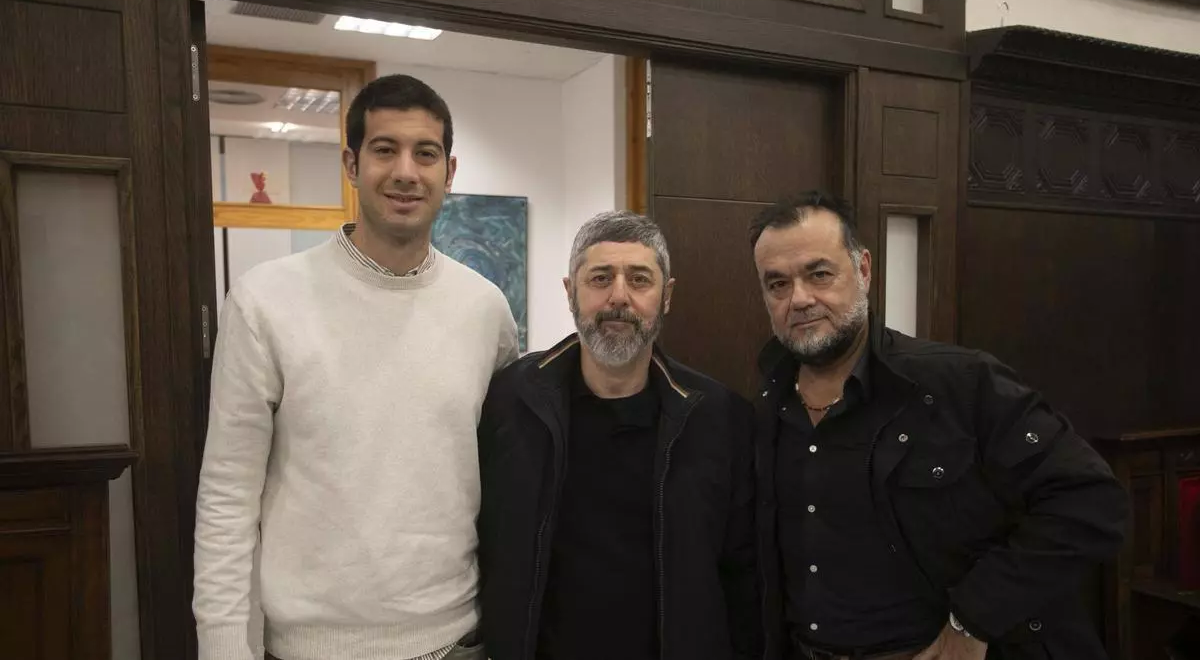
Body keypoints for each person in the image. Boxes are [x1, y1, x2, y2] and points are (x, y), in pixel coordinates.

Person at [193, 74, 518, 660]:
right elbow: (226, 493)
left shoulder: (485, 309)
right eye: (384, 149)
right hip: (309, 646)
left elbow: (502, 480)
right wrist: (222, 646)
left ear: (449, 171)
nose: (406, 172)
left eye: (426, 153)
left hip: (455, 638)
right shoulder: (266, 301)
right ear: (351, 163)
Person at [748, 191, 1127, 660]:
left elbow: (1090, 500)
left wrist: (974, 619)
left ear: (863, 270)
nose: (800, 299)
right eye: (777, 284)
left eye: (819, 274)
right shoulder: (762, 408)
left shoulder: (961, 383)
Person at [476, 211, 762, 660]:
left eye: (640, 279)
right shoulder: (510, 401)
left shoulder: (720, 419)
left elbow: (743, 574)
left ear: (667, 296)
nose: (619, 297)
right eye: (600, 278)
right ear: (570, 292)